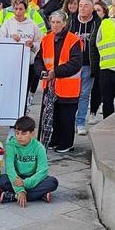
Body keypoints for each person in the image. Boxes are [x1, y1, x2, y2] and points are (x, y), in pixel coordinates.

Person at [35, 11, 82, 153]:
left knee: (66, 118)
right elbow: (39, 59)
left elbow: (75, 63)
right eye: (53, 22)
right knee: (53, 115)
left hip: (68, 86)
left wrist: (55, 72)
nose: (55, 25)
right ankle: (55, 140)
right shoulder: (46, 39)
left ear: (64, 23)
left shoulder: (73, 40)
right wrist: (42, 72)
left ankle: (66, 143)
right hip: (50, 85)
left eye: (58, 22)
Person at [0, 116, 58, 205]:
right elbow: (10, 169)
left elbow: (42, 170)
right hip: (17, 177)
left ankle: (13, 196)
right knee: (2, 180)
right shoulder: (10, 145)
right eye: (17, 133)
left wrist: (24, 183)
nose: (19, 137)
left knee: (52, 182)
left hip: (33, 178)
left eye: (23, 133)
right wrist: (20, 190)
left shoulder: (39, 147)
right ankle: (39, 195)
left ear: (32, 133)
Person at [0, 0, 44, 108]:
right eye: (16, 9)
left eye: (21, 9)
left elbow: (39, 43)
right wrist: (10, 39)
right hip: (11, 65)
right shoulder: (7, 24)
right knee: (11, 92)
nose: (18, 12)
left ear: (26, 10)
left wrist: (32, 45)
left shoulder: (32, 25)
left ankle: (22, 115)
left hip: (28, 65)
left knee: (24, 92)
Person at [69, 0, 99, 134]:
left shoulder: (98, 23)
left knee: (84, 94)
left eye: (86, 6)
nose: (82, 8)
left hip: (88, 64)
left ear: (92, 8)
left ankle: (80, 122)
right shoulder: (71, 21)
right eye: (80, 5)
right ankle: (68, 121)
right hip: (71, 64)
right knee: (70, 94)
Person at [88, 1, 108, 124]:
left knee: (98, 89)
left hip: (103, 61)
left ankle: (93, 112)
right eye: (94, 10)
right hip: (92, 60)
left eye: (98, 10)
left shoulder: (107, 24)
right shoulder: (92, 24)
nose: (96, 13)